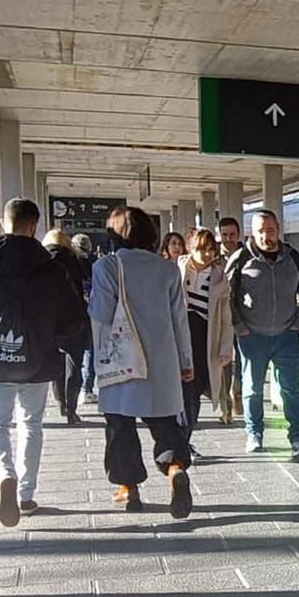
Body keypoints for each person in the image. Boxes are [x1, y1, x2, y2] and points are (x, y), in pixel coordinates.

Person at [0, 199, 86, 526]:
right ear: (34, 227)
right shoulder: (51, 266)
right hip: (37, 362)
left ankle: (4, 475)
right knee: (30, 424)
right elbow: (73, 320)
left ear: (2, 222)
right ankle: (26, 496)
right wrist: (49, 339)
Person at [90, 206, 195, 518]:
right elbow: (180, 319)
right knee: (165, 423)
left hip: (121, 359)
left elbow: (100, 316)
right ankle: (175, 469)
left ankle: (129, 488)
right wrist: (185, 360)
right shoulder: (167, 269)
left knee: (120, 426)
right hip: (162, 359)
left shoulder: (106, 266)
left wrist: (97, 356)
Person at [227, 209, 299, 458]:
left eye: (270, 229)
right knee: (252, 388)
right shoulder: (241, 258)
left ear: (278, 229)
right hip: (252, 337)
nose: (266, 235)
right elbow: (227, 296)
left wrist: (297, 324)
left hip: (286, 336)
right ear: (252, 233)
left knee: (291, 389)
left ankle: (298, 438)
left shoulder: (293, 258)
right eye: (260, 231)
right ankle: (254, 434)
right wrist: (239, 327)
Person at [177, 228, 234, 458]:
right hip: (179, 338)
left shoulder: (220, 277)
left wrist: (225, 348)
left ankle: (184, 440)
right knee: (181, 392)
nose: (208, 254)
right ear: (191, 248)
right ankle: (179, 441)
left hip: (204, 339)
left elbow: (226, 318)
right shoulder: (177, 270)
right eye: (202, 249)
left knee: (195, 391)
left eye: (212, 249)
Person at [42, 229, 88, 425]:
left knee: (57, 363)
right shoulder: (75, 260)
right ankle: (71, 409)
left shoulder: (41, 262)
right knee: (74, 365)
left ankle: (60, 402)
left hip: (49, 320)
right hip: (74, 318)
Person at [216, 217, 244, 423]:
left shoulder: (248, 257)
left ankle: (239, 393)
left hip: (244, 318)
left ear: (239, 234)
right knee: (224, 361)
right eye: (224, 235)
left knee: (243, 360)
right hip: (221, 319)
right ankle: (225, 404)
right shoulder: (213, 260)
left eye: (232, 234)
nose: (228, 239)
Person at [72, 234, 98, 404]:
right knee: (90, 350)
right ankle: (86, 389)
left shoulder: (69, 263)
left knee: (74, 353)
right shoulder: (95, 264)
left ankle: (71, 391)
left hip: (73, 310)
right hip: (92, 310)